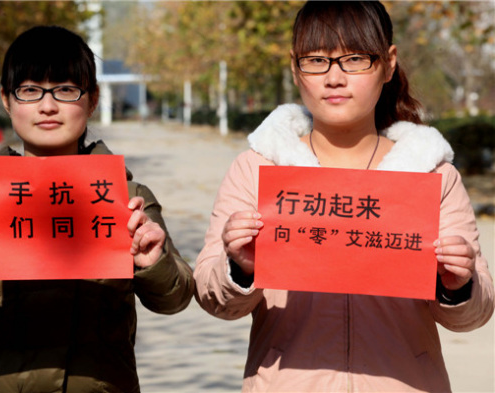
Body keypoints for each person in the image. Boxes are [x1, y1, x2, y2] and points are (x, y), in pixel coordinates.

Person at [193, 2, 494, 392]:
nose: (334, 78)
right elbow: (213, 297)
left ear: (388, 64)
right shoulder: (257, 169)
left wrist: (458, 285)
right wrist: (240, 268)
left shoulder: (433, 174)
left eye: (354, 59)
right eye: (316, 60)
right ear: (295, 67)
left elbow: (474, 313)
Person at [0, 26, 194, 393]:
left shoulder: (128, 198)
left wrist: (155, 263)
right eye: (29, 90)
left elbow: (175, 297)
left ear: (92, 100)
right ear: (6, 100)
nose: (47, 105)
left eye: (65, 89)